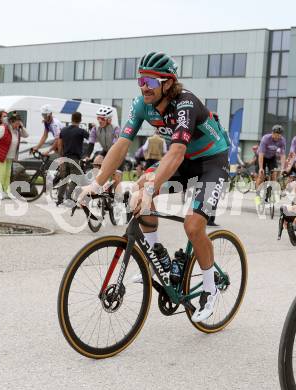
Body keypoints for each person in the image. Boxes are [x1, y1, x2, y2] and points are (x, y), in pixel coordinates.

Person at [79, 51, 230, 322]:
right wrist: (96, 184)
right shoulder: (141, 105)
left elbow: (176, 152)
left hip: (210, 162)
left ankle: (210, 287)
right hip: (183, 161)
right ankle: (158, 257)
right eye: (140, 80)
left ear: (167, 83)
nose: (143, 87)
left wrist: (152, 188)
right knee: (138, 190)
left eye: (149, 82)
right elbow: (121, 145)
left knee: (193, 226)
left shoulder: (186, 105)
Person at [0, 112, 28, 199]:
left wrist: (21, 127)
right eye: (17, 123)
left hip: (9, 156)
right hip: (0, 155)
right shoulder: (3, 128)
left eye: (19, 123)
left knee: (7, 174)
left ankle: (7, 191)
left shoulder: (17, 130)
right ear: (11, 122)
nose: (18, 125)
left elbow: (26, 135)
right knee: (2, 173)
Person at [56, 112, 89, 206]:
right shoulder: (81, 131)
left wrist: (60, 157)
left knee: (64, 179)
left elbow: (59, 144)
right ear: (80, 120)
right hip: (75, 159)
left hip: (64, 158)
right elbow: (91, 139)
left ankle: (59, 200)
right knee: (76, 179)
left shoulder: (64, 130)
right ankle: (69, 198)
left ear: (71, 119)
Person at [255, 125, 286, 204]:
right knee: (261, 176)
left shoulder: (282, 140)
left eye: (279, 135)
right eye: (276, 134)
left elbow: (282, 155)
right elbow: (261, 154)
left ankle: (270, 192)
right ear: (272, 133)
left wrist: (283, 167)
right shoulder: (266, 139)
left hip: (272, 157)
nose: (277, 136)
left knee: (274, 174)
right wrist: (261, 168)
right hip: (262, 157)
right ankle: (257, 196)